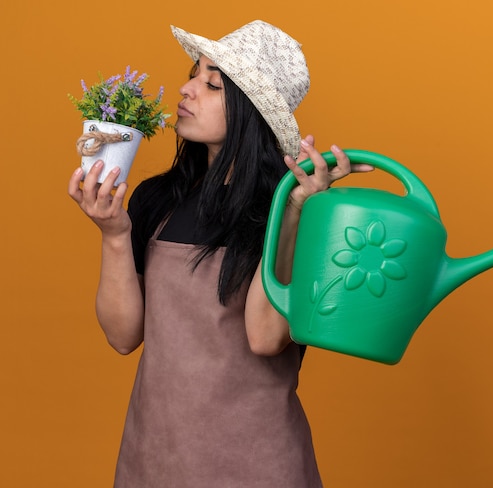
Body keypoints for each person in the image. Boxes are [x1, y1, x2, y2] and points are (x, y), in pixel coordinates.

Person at [68, 20, 372, 487]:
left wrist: (291, 213)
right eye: (194, 75)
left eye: (212, 84)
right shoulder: (156, 199)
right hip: (155, 460)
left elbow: (265, 339)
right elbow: (123, 335)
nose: (187, 89)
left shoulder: (293, 211)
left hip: (258, 465)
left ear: (252, 112)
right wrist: (113, 234)